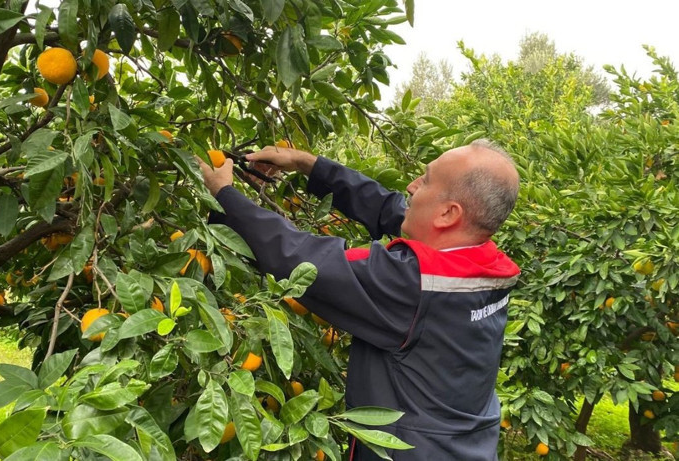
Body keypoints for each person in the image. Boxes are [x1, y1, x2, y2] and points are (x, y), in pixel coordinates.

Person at [198, 139, 521, 460]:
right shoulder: (481, 265)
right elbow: (389, 207)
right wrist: (309, 165)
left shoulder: (415, 285)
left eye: (426, 180)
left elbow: (301, 260)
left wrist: (224, 196)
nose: (411, 186)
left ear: (449, 213)